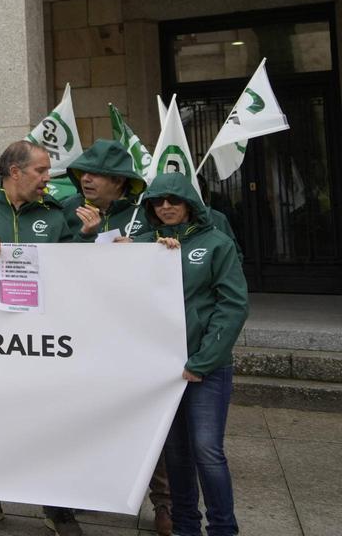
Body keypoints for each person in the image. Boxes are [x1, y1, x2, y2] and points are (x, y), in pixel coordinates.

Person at [0, 141, 101, 536]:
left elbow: (74, 271)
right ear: (15, 172)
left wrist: (85, 237)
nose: (49, 178)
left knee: (49, 421)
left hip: (40, 341)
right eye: (41, 171)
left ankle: (58, 507)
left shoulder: (54, 213)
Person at [131, 172, 248, 536]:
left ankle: (223, 529)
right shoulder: (143, 244)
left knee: (207, 452)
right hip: (163, 371)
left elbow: (233, 307)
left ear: (190, 204)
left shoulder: (217, 244)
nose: (165, 207)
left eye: (174, 200)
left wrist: (202, 361)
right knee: (177, 455)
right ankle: (185, 526)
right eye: (158, 201)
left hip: (205, 369)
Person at [63, 139, 171, 533]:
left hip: (137, 339)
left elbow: (178, 249)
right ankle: (86, 494)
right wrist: (82, 238)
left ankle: (164, 504)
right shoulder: (68, 212)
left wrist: (140, 248)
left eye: (96, 174)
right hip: (85, 338)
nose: (86, 179)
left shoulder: (149, 215)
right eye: (83, 173)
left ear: (120, 182)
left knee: (148, 423)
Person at [63, 139, 148, 239]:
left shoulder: (149, 209)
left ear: (118, 181)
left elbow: (166, 241)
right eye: (82, 172)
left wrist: (136, 244)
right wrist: (84, 235)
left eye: (94, 173)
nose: (85, 179)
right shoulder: (67, 209)